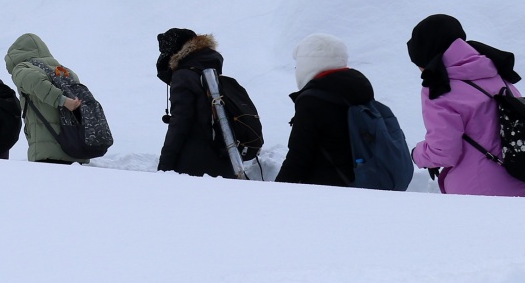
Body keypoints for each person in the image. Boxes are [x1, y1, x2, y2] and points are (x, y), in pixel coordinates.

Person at [406, 14, 525, 198]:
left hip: (484, 196)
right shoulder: (495, 71)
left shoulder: (440, 87)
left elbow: (443, 152)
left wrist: (418, 154)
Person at [276, 34, 375, 186]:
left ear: (308, 64)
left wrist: (277, 190)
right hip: (361, 179)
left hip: (325, 190)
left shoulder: (312, 100)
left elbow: (298, 156)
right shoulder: (358, 88)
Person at [157, 32, 259, 177]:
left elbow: (179, 125)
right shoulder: (211, 76)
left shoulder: (184, 76)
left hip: (194, 165)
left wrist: (164, 166)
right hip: (224, 159)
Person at [4, 33, 87, 165]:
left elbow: (36, 82)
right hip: (76, 148)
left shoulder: (22, 68)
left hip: (48, 153)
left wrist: (62, 101)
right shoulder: (65, 71)